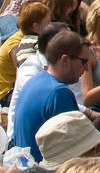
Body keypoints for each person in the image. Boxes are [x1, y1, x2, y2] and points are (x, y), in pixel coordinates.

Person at [12, 29, 89, 161]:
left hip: (25, 166)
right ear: (65, 60)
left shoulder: (35, 81)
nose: (86, 68)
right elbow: (76, 148)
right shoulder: (59, 93)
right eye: (83, 61)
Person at [0, 0, 52, 102]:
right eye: (47, 23)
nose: (50, 26)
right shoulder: (17, 45)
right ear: (35, 27)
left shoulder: (28, 37)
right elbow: (24, 75)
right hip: (6, 93)